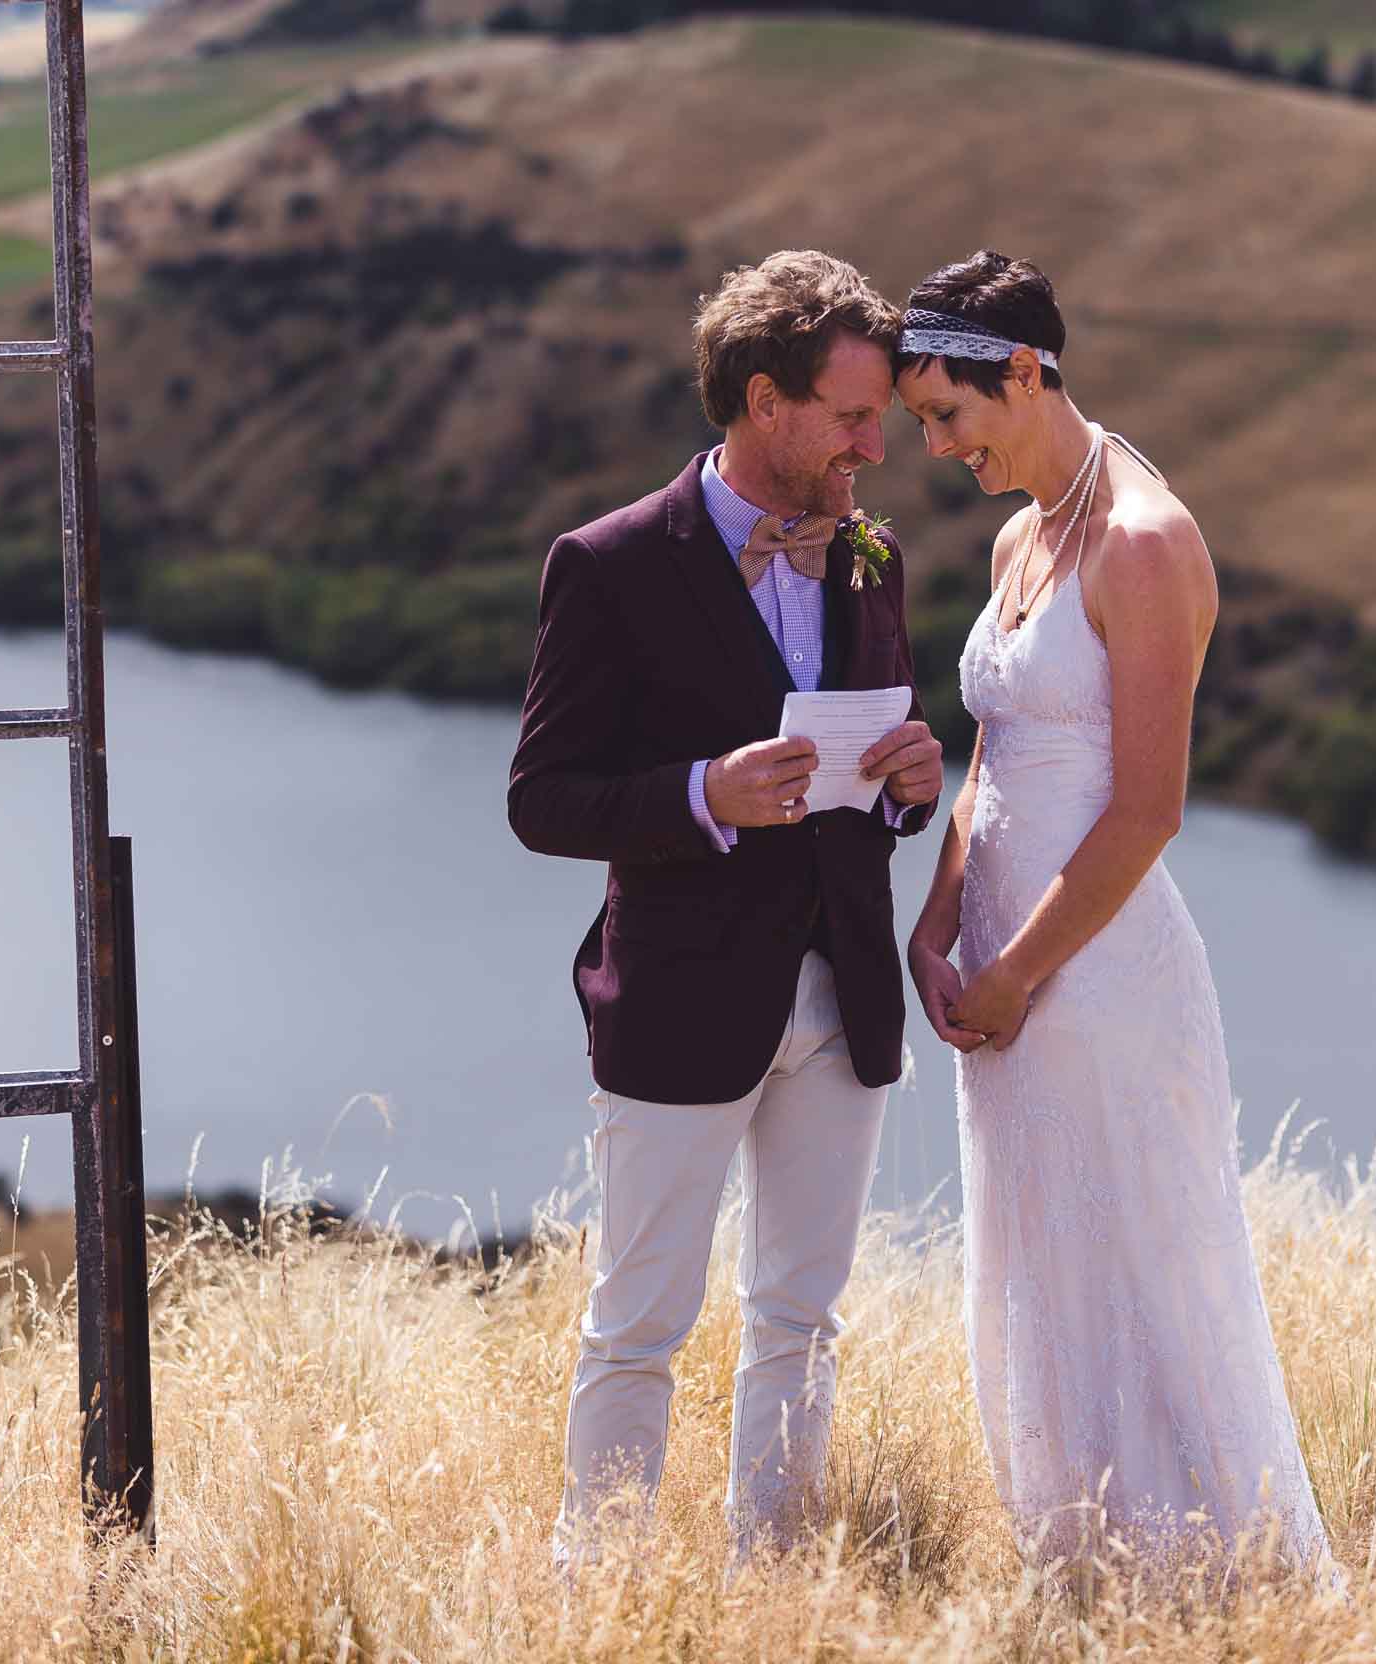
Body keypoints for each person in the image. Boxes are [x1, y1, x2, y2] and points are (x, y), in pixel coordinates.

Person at [894, 250, 1333, 1580]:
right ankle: (1079, 1561)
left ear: (1024, 372)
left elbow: (1145, 809)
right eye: (921, 420)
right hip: (1000, 962)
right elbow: (995, 756)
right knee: (1040, 1263)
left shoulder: (1145, 542)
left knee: (1143, 1257)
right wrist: (938, 920)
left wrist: (1018, 973)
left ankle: (1213, 1576)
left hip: (1098, 970)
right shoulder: (1021, 535)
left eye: (951, 414)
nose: (938, 444)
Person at [508, 249, 945, 1560]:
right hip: (681, 998)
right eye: (855, 416)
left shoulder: (870, 558)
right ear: (769, 402)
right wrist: (707, 792)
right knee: (639, 1326)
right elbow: (544, 799)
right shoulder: (610, 564)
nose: (879, 443)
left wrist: (913, 779)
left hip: (844, 992)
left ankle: (776, 1592)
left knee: (802, 1320)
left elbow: (876, 773)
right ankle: (607, 1605)